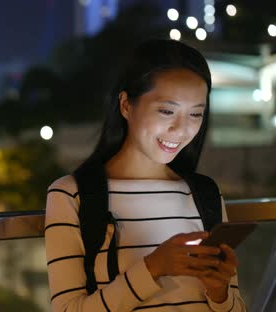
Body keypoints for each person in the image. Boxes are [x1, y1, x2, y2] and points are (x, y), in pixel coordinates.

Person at [45, 39, 246, 311]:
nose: (181, 129)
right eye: (166, 111)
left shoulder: (205, 194)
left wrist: (219, 292)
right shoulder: (73, 194)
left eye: (196, 114)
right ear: (127, 105)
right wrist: (152, 268)